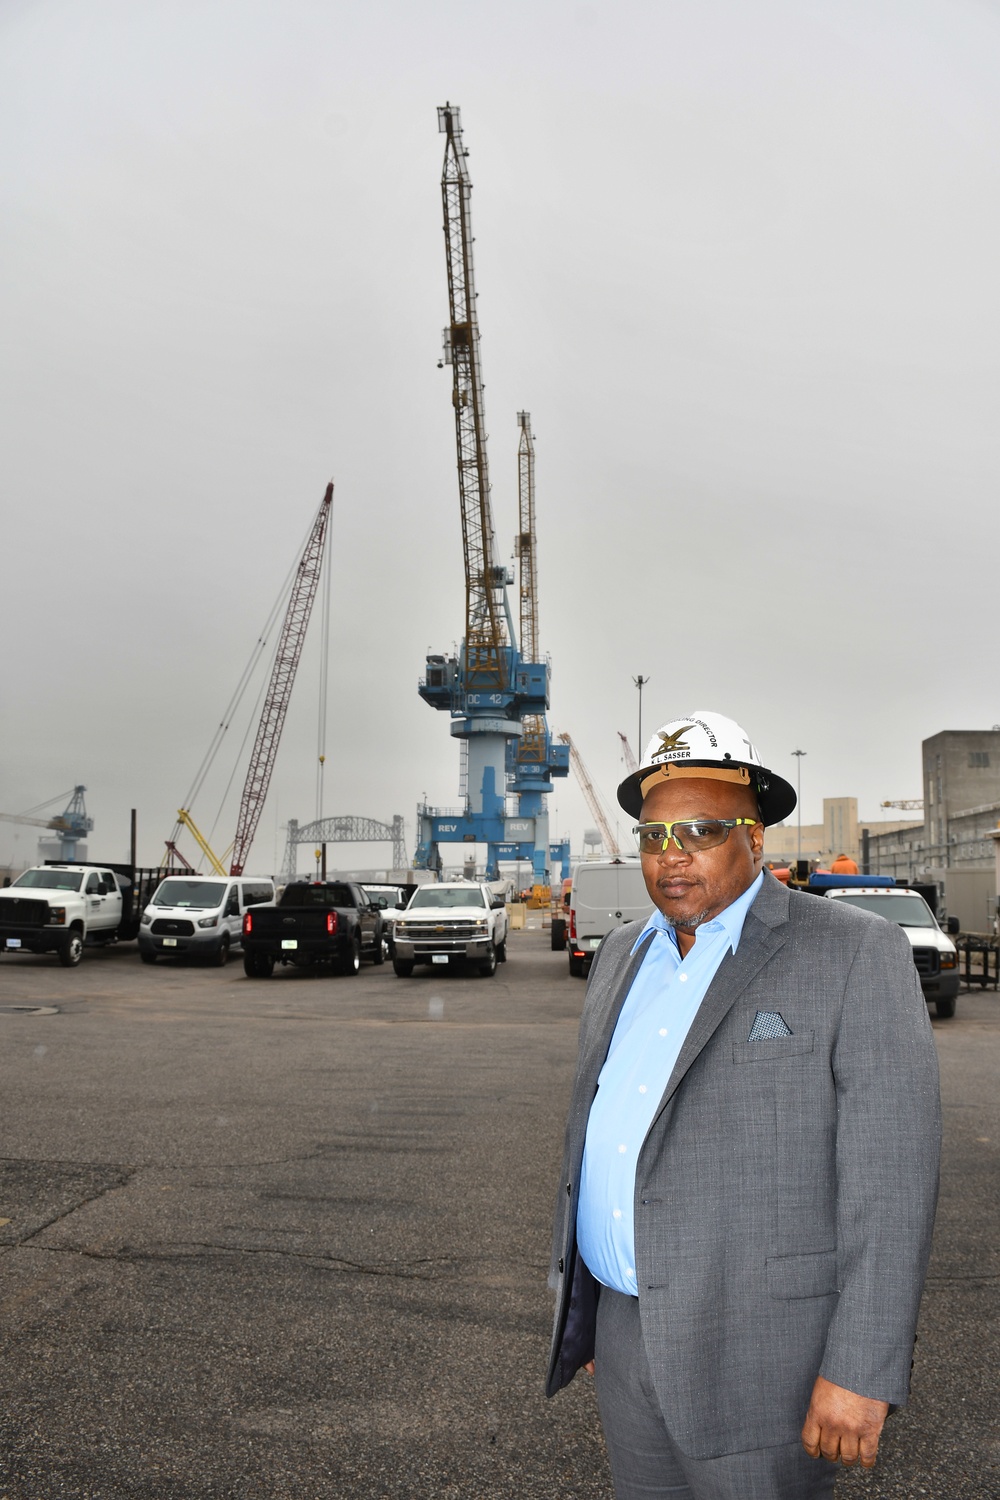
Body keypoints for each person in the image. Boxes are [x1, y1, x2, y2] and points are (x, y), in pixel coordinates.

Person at [546, 710, 940, 1500]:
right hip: (625, 1336)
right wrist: (590, 1312)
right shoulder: (621, 955)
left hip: (765, 1356)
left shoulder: (853, 953)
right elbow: (603, 1131)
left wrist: (859, 1369)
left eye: (699, 830)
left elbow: (891, 1181)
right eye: (653, 836)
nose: (672, 857)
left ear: (754, 839)